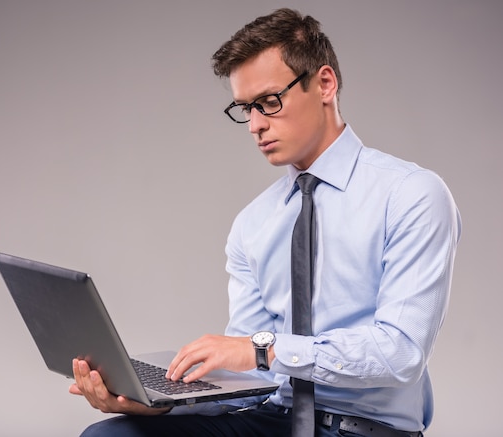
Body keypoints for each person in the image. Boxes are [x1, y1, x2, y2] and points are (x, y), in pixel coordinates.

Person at [69, 8, 461, 437]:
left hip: (364, 429)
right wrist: (153, 404)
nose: (255, 125)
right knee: (110, 435)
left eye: (270, 102)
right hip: (273, 420)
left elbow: (401, 352)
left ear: (325, 84)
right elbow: (251, 381)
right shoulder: (253, 223)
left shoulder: (411, 194)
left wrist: (263, 350)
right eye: (245, 109)